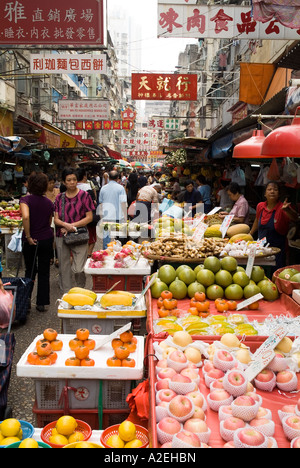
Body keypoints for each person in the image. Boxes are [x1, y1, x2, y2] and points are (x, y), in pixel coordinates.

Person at [54, 168, 94, 294]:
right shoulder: (59, 198)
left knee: (78, 269)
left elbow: (89, 217)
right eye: (69, 180)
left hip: (79, 234)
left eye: (74, 180)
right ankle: (66, 294)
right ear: (64, 182)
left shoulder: (84, 195)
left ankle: (80, 291)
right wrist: (65, 225)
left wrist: (71, 226)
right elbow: (56, 219)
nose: (72, 182)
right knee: (64, 268)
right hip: (62, 235)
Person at [20, 173, 54, 312]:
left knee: (30, 270)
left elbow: (26, 216)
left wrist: (28, 236)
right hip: (46, 238)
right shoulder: (49, 203)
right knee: (44, 271)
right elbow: (49, 221)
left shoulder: (25, 200)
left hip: (31, 240)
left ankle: (26, 300)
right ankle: (41, 302)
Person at [250, 181, 298, 269]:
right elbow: (257, 220)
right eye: (269, 189)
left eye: (275, 189)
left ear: (279, 194)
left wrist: (288, 210)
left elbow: (295, 218)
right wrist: (250, 234)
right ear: (265, 194)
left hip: (277, 252)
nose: (272, 191)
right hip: (261, 250)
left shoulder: (283, 207)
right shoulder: (260, 206)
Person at [98, 170, 128, 249]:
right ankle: (119, 253)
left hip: (106, 216)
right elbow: (123, 203)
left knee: (106, 238)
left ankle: (106, 253)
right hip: (118, 216)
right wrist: (125, 217)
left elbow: (101, 203)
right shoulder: (120, 188)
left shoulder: (103, 188)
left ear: (109, 177)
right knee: (120, 237)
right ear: (118, 178)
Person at [76, 168, 98, 257]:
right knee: (91, 238)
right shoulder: (87, 188)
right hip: (87, 217)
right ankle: (88, 254)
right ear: (84, 177)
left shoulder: (72, 188)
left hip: (76, 218)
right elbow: (92, 202)